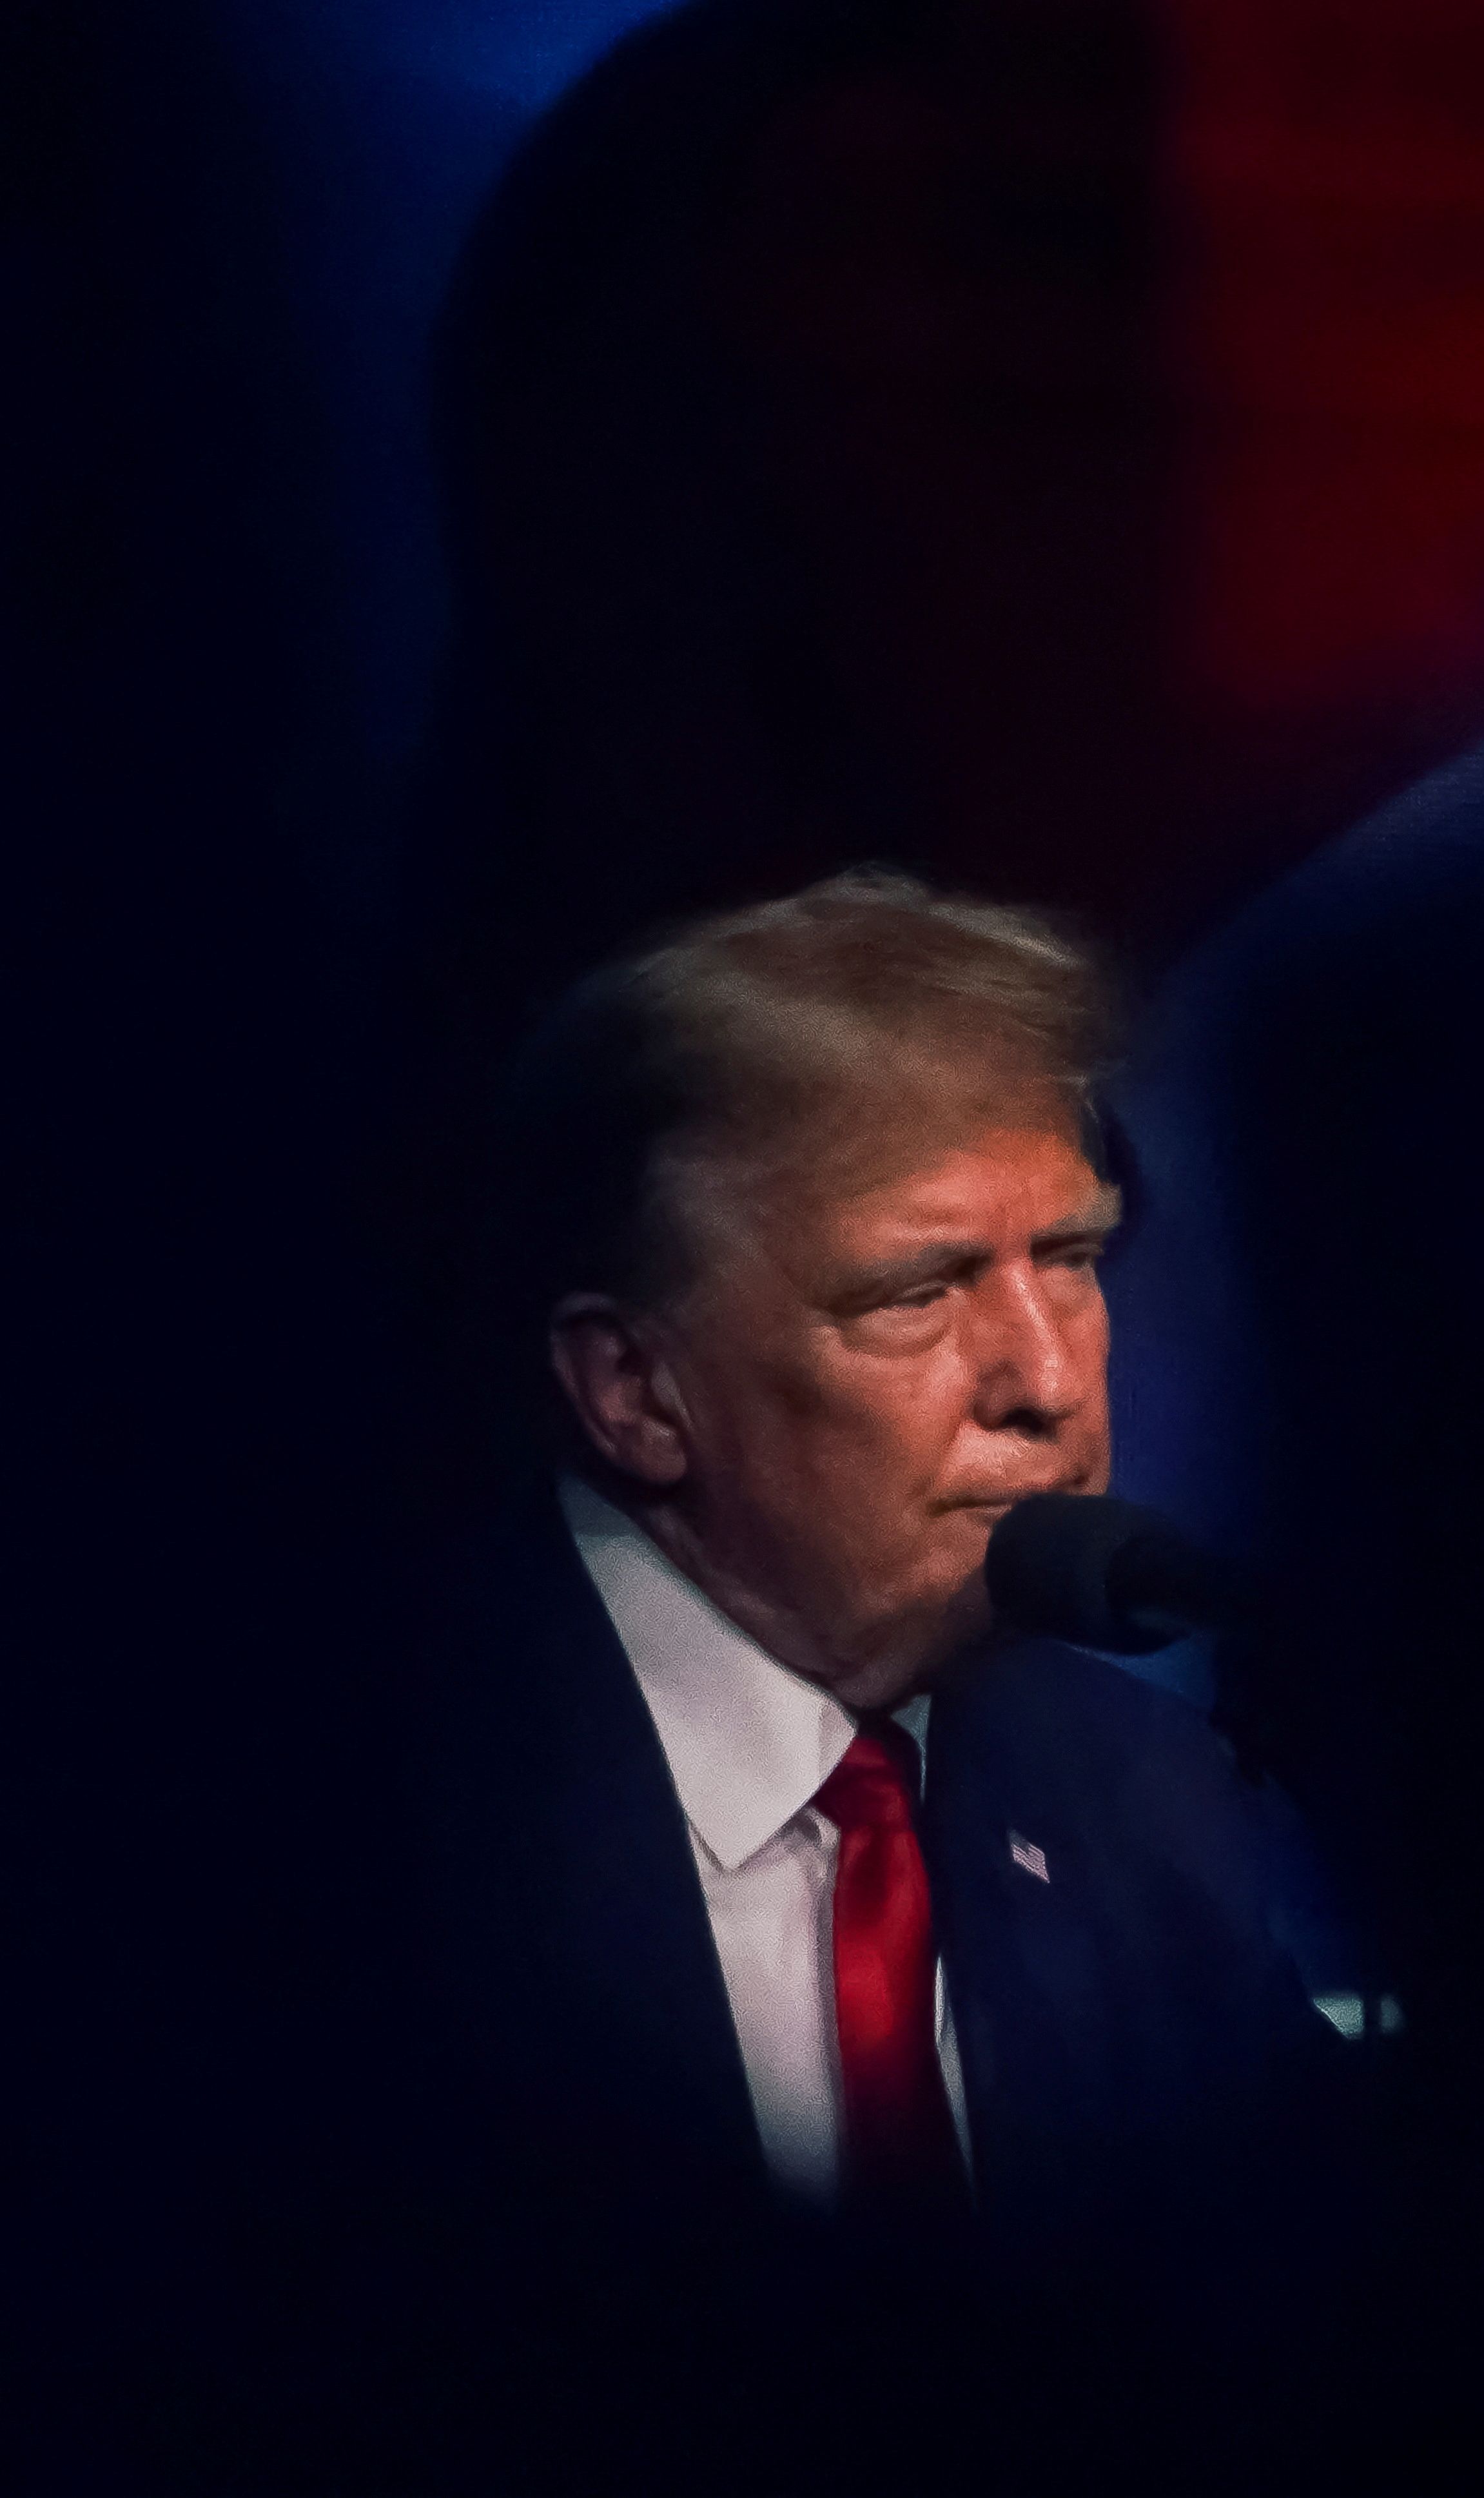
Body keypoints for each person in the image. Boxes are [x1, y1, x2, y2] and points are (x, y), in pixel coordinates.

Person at [382, 870, 1354, 2486]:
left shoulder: (1149, 1804)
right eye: (917, 1293)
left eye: (1073, 1258)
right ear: (634, 1388)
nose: (1046, 1382)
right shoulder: (376, 1829)